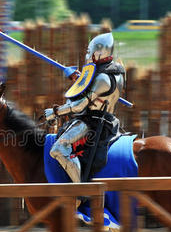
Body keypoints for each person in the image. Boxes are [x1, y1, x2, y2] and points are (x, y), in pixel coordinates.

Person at [44, 32, 125, 183]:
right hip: (103, 118)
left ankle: (79, 190)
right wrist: (80, 79)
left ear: (98, 52)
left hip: (93, 122)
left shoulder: (103, 78)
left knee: (58, 149)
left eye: (89, 51)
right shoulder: (114, 71)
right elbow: (90, 87)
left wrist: (55, 112)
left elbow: (78, 106)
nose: (87, 54)